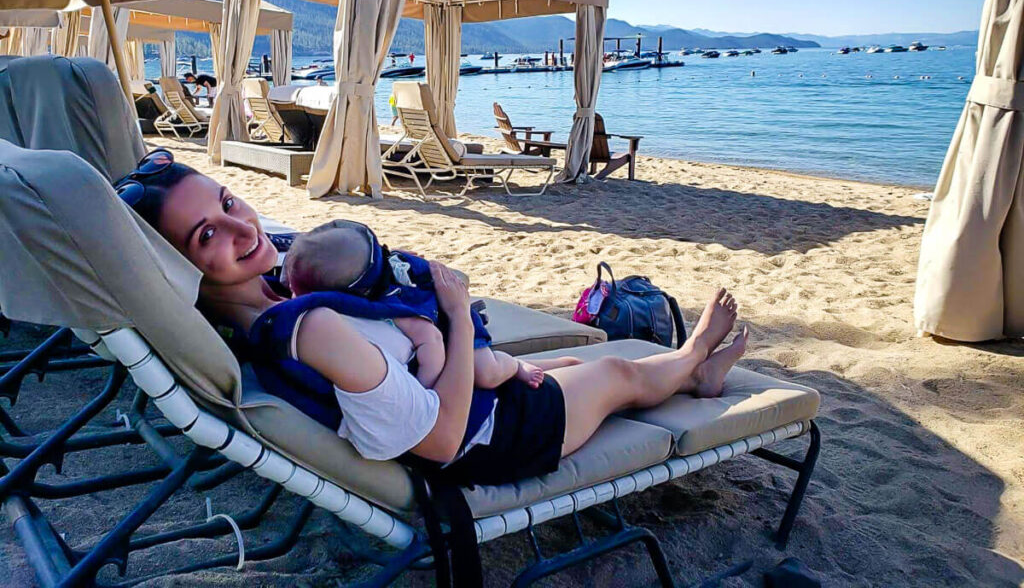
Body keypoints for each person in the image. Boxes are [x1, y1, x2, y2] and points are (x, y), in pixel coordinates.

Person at [119, 152, 749, 485]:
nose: (241, 227)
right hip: (489, 438)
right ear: (180, 267)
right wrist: (451, 312)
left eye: (228, 201)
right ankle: (692, 359)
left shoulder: (271, 292)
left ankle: (691, 377)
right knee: (614, 370)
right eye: (207, 235)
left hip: (472, 395)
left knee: (559, 361)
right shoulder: (312, 331)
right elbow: (440, 441)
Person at [282, 221, 568, 390]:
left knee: (486, 374)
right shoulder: (366, 265)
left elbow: (430, 341)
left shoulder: (399, 305)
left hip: (451, 315)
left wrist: (424, 385)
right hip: (443, 297)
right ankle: (544, 363)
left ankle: (516, 365)